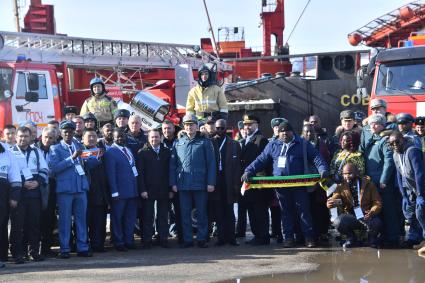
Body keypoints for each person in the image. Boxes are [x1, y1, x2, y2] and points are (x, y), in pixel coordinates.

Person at [243, 121, 329, 248]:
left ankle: (309, 238)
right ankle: (288, 238)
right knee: (286, 212)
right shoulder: (273, 145)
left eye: (286, 131)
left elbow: (316, 157)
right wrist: (248, 170)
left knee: (304, 212)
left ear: (292, 132)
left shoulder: (303, 144)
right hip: (281, 186)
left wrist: (323, 169)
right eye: (281, 131)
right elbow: (261, 159)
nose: (284, 134)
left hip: (300, 185)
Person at [169, 114, 216, 248]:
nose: (189, 127)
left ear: (197, 126)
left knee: (201, 213)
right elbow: (173, 165)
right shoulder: (178, 143)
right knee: (184, 213)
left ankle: (201, 238)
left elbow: (211, 163)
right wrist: (173, 183)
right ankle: (188, 239)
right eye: (187, 125)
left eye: (192, 124)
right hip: (183, 184)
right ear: (184, 126)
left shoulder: (205, 142)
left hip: (200, 183)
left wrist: (211, 182)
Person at [49, 120, 91, 258]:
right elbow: (54, 169)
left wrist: (95, 156)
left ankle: (82, 247)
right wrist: (71, 158)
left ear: (74, 132)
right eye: (65, 132)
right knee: (65, 221)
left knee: (81, 220)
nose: (68, 134)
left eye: (71, 131)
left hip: (80, 188)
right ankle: (65, 249)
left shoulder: (78, 145)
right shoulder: (55, 148)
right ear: (61, 133)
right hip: (65, 190)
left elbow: (86, 163)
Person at [361, 113, 402, 247]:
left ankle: (393, 238)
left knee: (389, 210)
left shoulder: (385, 140)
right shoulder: (371, 139)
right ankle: (383, 236)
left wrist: (384, 180)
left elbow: (389, 161)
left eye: (376, 123)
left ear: (382, 125)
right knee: (378, 210)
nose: (373, 125)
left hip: (383, 184)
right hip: (372, 183)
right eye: (371, 123)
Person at [9, 127, 49, 263]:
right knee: (17, 225)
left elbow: (44, 170)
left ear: (30, 137)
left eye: (25, 136)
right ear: (16, 137)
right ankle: (17, 254)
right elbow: (8, 172)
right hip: (18, 193)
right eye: (20, 136)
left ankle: (33, 252)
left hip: (34, 193)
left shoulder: (36, 151)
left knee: (34, 224)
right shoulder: (10, 152)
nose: (22, 139)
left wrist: (38, 182)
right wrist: (21, 183)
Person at [327, 163, 382, 248]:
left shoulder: (369, 184)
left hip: (366, 214)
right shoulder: (341, 186)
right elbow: (335, 198)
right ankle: (351, 238)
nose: (347, 176)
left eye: (349, 173)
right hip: (351, 216)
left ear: (357, 173)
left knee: (376, 222)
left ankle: (372, 239)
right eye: (344, 174)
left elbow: (377, 202)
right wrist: (330, 203)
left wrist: (372, 211)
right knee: (338, 222)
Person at [237, 114, 270, 245]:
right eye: (245, 124)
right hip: (248, 181)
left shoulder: (261, 140)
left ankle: (263, 236)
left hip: (258, 181)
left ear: (257, 125)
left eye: (250, 124)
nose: (247, 127)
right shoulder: (246, 139)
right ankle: (257, 235)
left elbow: (265, 161)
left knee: (260, 210)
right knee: (251, 209)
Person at [104, 128, 139, 251]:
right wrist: (114, 191)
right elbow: (110, 174)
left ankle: (129, 241)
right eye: (118, 136)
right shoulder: (110, 152)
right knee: (118, 219)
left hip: (132, 191)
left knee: (130, 218)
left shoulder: (128, 150)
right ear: (113, 138)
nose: (120, 138)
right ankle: (119, 242)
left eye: (122, 136)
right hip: (119, 192)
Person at [389, 131, 425, 249]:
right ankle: (414, 237)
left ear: (403, 140)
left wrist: (420, 194)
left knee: (421, 214)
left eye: (397, 142)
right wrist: (403, 195)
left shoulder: (413, 151)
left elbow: (419, 174)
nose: (394, 145)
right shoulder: (395, 154)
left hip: (421, 188)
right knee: (409, 213)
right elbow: (400, 175)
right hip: (410, 190)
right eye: (391, 143)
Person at [137, 129, 172, 249]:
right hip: (148, 190)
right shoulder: (142, 153)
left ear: (161, 137)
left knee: (162, 216)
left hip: (163, 189)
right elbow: (140, 174)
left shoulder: (167, 152)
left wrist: (170, 189)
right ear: (148, 138)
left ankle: (162, 238)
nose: (154, 139)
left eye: (156, 137)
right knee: (147, 216)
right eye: (152, 137)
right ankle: (146, 240)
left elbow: (170, 172)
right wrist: (142, 190)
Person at [210, 119, 241, 246]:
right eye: (217, 128)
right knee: (219, 211)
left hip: (229, 181)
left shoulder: (234, 144)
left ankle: (232, 237)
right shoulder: (210, 143)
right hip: (216, 181)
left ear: (226, 128)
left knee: (229, 211)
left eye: (222, 128)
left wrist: (236, 184)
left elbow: (238, 166)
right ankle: (221, 238)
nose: (220, 130)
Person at [82, 128, 110, 253]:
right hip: (85, 193)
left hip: (100, 192)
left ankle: (98, 244)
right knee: (85, 221)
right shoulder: (79, 152)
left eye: (94, 136)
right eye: (89, 136)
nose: (92, 138)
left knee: (100, 220)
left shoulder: (103, 153)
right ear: (83, 138)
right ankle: (84, 244)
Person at [35, 127, 59, 257]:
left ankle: (46, 248)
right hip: (37, 187)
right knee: (35, 219)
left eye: (51, 138)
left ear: (55, 139)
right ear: (41, 137)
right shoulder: (34, 150)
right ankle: (34, 248)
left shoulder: (57, 150)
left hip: (52, 186)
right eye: (46, 137)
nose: (48, 140)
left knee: (49, 218)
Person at [0, 143, 21, 268]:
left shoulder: (7, 151)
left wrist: (14, 196)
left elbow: (15, 175)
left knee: (1, 225)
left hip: (2, 194)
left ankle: (1, 257)